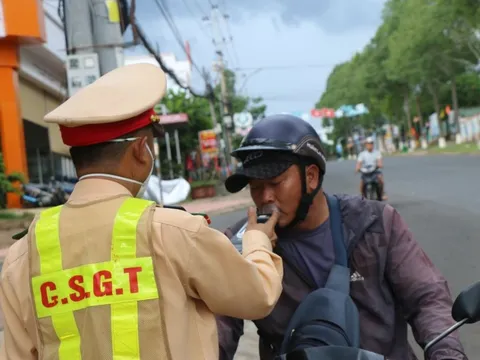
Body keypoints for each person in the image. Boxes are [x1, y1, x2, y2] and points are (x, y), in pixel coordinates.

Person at [0, 63, 284, 360]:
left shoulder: (24, 254)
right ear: (140, 149)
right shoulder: (173, 232)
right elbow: (257, 296)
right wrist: (257, 240)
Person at [216, 114, 467, 360]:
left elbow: (427, 298)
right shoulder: (241, 245)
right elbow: (219, 327)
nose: (265, 197)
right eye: (256, 187)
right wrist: (254, 253)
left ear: (311, 177)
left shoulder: (375, 223)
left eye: (275, 182)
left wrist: (446, 353)